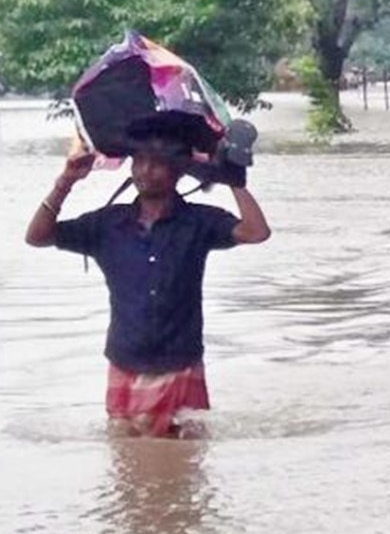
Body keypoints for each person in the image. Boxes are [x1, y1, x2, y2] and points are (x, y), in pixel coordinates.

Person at [24, 111, 271, 437]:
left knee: (186, 461)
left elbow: (256, 232)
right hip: (125, 361)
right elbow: (37, 237)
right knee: (125, 461)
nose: (144, 170)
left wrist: (234, 179)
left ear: (178, 172)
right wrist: (65, 182)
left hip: (181, 363)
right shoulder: (107, 225)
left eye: (156, 163)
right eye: (138, 161)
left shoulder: (199, 222)